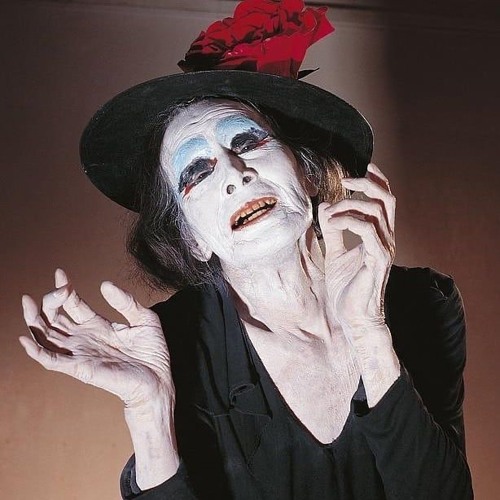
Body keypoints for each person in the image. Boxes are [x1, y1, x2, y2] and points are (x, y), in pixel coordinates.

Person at [19, 1, 473, 498]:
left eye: (247, 141)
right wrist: (149, 410)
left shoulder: (424, 305)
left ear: (306, 172)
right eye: (196, 171)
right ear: (191, 238)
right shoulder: (175, 344)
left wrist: (368, 333)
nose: (235, 173)